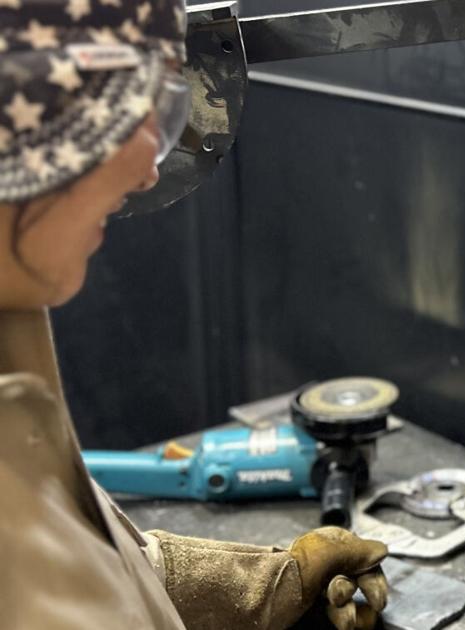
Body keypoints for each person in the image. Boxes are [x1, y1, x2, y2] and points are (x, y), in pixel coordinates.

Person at [0, 0, 389, 628]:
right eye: (109, 114)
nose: (144, 168)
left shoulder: (13, 330)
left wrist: (265, 588)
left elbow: (94, 564)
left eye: (160, 105)